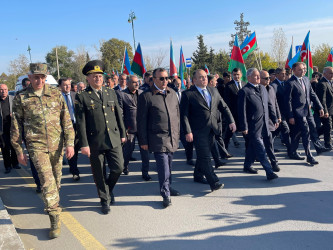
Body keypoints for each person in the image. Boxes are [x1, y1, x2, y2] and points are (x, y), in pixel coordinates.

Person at [11, 63, 75, 239]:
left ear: (46, 77)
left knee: (56, 180)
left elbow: (66, 120)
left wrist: (70, 143)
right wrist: (18, 150)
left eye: (42, 77)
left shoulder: (55, 94)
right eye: (35, 77)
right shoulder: (21, 98)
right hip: (36, 146)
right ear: (29, 78)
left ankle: (52, 201)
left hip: (57, 145)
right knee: (47, 181)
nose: (39, 80)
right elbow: (16, 125)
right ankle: (54, 217)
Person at [75, 60, 126, 214]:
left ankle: (108, 189)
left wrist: (123, 134)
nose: (97, 78)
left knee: (119, 167)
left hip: (114, 138)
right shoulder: (82, 97)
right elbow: (81, 123)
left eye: (100, 75)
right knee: (99, 173)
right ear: (88, 79)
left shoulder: (111, 92)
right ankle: (104, 199)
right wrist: (83, 144)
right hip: (94, 141)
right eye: (94, 76)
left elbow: (118, 115)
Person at [180, 69, 236, 191]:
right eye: (200, 77)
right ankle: (213, 181)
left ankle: (198, 175)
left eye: (205, 76)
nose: (204, 79)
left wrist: (231, 121)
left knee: (202, 155)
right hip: (197, 131)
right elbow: (184, 115)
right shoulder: (188, 94)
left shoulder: (213, 90)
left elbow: (224, 107)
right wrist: (187, 131)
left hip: (212, 129)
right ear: (194, 80)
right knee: (205, 156)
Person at [137, 68, 180, 208]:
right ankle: (165, 194)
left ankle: (168, 186)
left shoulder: (172, 93)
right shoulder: (146, 96)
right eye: (161, 78)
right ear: (153, 79)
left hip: (172, 136)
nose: (165, 81)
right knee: (163, 166)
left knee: (170, 165)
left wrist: (178, 133)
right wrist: (143, 141)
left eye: (167, 78)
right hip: (157, 137)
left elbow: (177, 115)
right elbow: (141, 121)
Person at [238, 68, 278, 180]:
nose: (258, 78)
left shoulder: (262, 88)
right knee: (261, 149)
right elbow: (242, 111)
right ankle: (269, 171)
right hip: (253, 126)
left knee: (253, 146)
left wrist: (274, 118)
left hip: (265, 123)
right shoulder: (244, 91)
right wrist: (244, 126)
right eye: (256, 76)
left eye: (259, 76)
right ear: (249, 77)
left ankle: (247, 165)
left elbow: (269, 105)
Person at [285, 62, 324, 165]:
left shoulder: (306, 80)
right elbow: (287, 101)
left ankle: (292, 151)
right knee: (306, 132)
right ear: (294, 70)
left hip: (308, 111)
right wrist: (290, 116)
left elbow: (312, 94)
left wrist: (320, 107)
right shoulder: (290, 83)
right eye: (300, 69)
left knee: (299, 133)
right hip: (297, 113)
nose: (303, 71)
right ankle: (309, 156)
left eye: (304, 69)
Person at [117, 75, 151, 180]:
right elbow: (120, 113)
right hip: (129, 128)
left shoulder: (142, 93)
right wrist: (123, 129)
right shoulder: (121, 94)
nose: (136, 84)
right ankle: (125, 166)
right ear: (127, 83)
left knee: (145, 152)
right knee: (128, 151)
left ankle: (145, 173)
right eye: (134, 82)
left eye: (137, 82)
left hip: (143, 128)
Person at [59, 78, 80, 181]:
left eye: (68, 85)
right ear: (60, 86)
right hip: (61, 126)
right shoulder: (57, 97)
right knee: (65, 148)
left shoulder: (75, 95)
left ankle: (74, 170)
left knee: (73, 148)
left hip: (74, 125)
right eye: (64, 85)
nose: (67, 87)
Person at [170, 78, 195, 165]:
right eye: (177, 84)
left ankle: (187, 151)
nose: (178, 85)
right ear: (174, 83)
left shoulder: (184, 92)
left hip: (184, 117)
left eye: (180, 84)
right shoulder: (171, 93)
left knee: (185, 135)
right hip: (174, 117)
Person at [259, 70, 281, 172]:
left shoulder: (271, 88)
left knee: (268, 142)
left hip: (270, 121)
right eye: (266, 78)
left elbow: (274, 103)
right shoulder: (257, 89)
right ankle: (249, 163)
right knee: (253, 145)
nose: (269, 80)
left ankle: (273, 162)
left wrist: (277, 117)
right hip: (259, 121)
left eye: (269, 78)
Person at [271, 68, 292, 156]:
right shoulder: (274, 86)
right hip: (279, 114)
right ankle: (291, 151)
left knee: (274, 133)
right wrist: (276, 116)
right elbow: (273, 101)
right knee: (286, 130)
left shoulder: (286, 83)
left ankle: (268, 147)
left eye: (285, 73)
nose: (284, 75)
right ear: (277, 74)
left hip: (286, 113)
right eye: (282, 74)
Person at [0, 83, 20, 174]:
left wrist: (14, 115)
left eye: (5, 90)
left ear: (8, 90)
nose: (3, 91)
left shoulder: (13, 99)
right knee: (5, 148)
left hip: (12, 127)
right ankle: (7, 166)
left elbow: (19, 111)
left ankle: (15, 163)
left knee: (14, 146)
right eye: (1, 90)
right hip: (2, 129)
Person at [223, 68, 242, 149]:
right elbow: (227, 101)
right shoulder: (228, 86)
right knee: (228, 134)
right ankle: (224, 150)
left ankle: (251, 154)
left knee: (247, 135)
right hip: (233, 114)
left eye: (238, 74)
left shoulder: (245, 84)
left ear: (241, 75)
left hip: (243, 114)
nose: (236, 76)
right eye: (234, 75)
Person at [316, 66, 333, 149]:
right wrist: (325, 111)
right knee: (328, 126)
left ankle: (314, 134)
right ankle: (328, 144)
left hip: (331, 109)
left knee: (328, 126)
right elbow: (322, 99)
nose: (332, 75)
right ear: (324, 74)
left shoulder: (330, 82)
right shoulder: (322, 84)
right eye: (330, 73)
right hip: (326, 110)